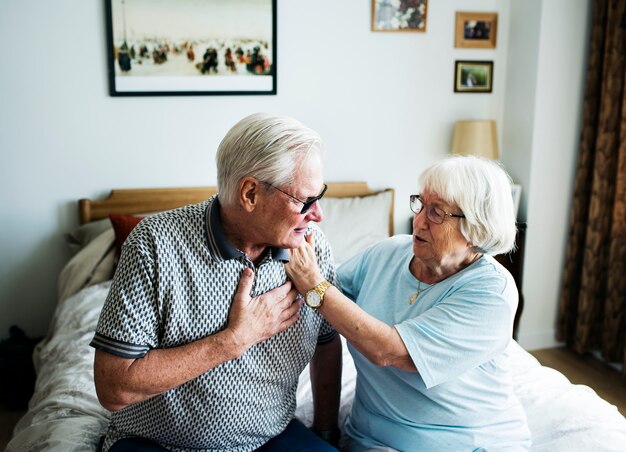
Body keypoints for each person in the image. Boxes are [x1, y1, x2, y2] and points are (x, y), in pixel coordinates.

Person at [90, 113, 342, 451]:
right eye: (304, 200)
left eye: (320, 195)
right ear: (250, 193)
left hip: (270, 439)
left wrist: (326, 431)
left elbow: (327, 342)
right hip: (155, 443)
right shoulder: (154, 244)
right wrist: (235, 340)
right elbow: (113, 388)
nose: (317, 214)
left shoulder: (312, 246)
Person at [285, 155, 531, 451]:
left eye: (437, 212)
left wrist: (315, 286)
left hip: (467, 442)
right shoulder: (388, 253)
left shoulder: (493, 292)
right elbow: (322, 302)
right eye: (420, 204)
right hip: (370, 438)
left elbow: (389, 352)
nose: (419, 221)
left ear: (476, 227)